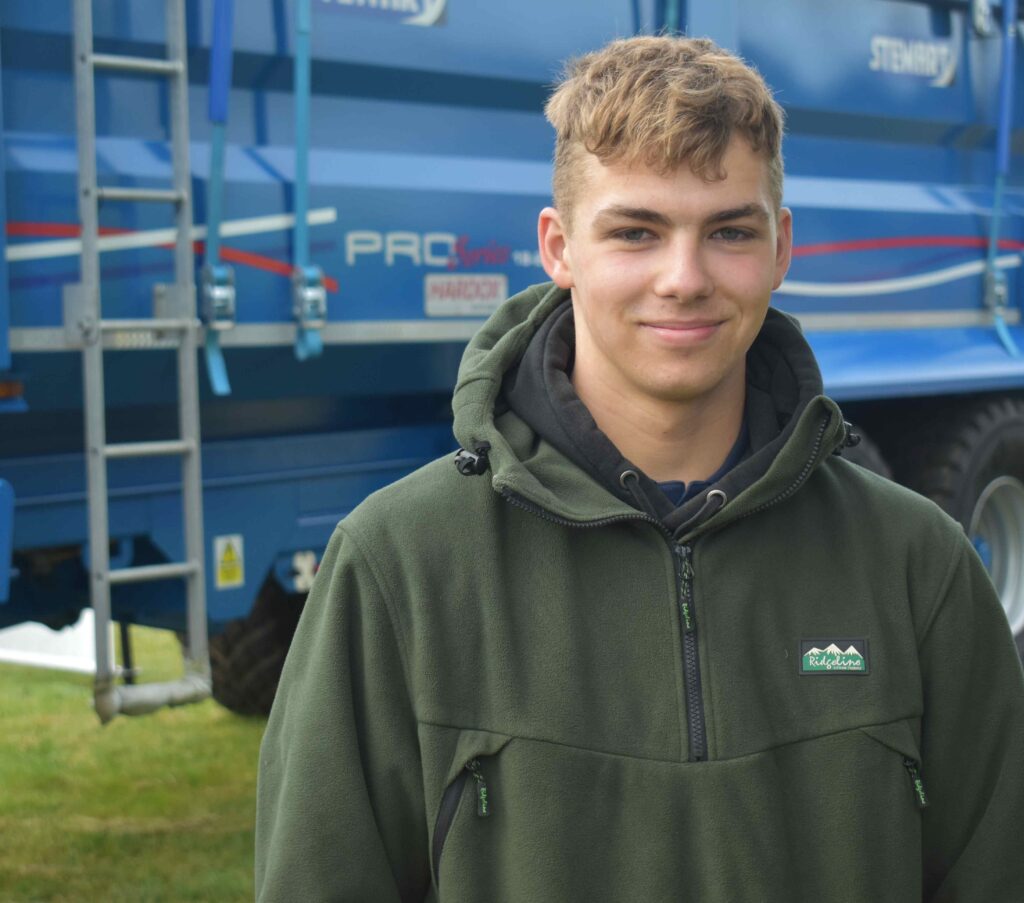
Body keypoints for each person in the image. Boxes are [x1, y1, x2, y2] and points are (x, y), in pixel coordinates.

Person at [255, 35, 1024, 902]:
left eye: (729, 230)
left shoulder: (919, 567)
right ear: (558, 247)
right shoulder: (398, 568)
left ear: (781, 249)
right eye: (635, 231)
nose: (683, 278)